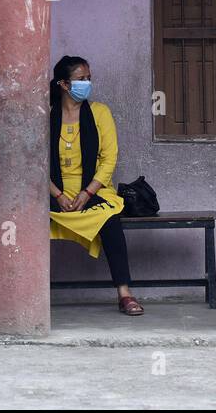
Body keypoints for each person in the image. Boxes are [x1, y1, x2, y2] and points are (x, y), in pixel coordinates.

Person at [48, 55, 144, 315]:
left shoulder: (100, 112)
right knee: (26, 217)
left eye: (89, 78)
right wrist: (56, 194)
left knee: (111, 221)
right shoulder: (45, 114)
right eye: (81, 79)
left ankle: (124, 294)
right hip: (52, 192)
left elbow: (109, 158)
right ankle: (21, 294)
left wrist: (88, 191)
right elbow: (32, 159)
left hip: (92, 189)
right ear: (64, 85)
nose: (87, 83)